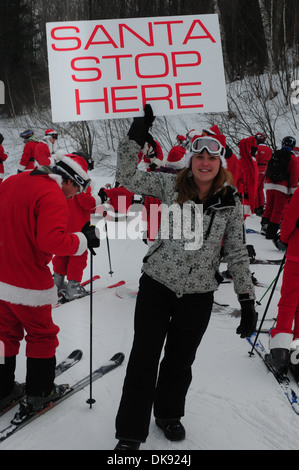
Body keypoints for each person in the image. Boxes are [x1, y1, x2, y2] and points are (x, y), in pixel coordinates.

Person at [113, 105, 257, 450]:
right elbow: (126, 175)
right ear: (191, 160)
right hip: (157, 284)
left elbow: (236, 251)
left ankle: (167, 414)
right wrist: (138, 130)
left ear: (219, 163)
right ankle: (131, 432)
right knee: (143, 359)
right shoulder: (169, 185)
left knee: (180, 361)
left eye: (212, 158)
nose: (205, 163)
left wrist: (247, 299)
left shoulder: (229, 201)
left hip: (199, 293)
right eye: (199, 157)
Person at [0, 153, 100, 418]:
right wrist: (82, 240)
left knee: (4, 335)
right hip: (27, 281)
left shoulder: (14, 180)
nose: (73, 196)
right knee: (41, 335)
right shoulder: (52, 193)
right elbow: (50, 241)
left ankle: (1, 389)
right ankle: (39, 394)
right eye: (76, 189)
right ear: (69, 180)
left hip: (1, 273)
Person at [52, 152, 101, 300]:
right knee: (78, 254)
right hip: (79, 226)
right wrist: (99, 199)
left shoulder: (63, 177)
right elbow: (87, 203)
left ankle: (57, 282)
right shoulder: (80, 180)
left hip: (61, 223)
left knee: (61, 251)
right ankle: (73, 287)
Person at [265, 186, 299, 377]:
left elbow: (288, 222)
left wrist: (285, 239)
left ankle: (280, 354)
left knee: (288, 302)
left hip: (297, 253)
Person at [262, 136, 299, 240]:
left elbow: (267, 169)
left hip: (269, 184)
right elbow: (294, 176)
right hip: (282, 186)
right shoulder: (293, 159)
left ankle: (264, 226)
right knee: (278, 210)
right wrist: (293, 192)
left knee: (269, 206)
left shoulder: (275, 155)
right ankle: (270, 233)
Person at [253, 132, 272, 216]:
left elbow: (254, 159)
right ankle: (260, 206)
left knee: (255, 188)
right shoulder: (269, 149)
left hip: (257, 168)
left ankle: (256, 207)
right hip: (266, 169)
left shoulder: (257, 148)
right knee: (260, 188)